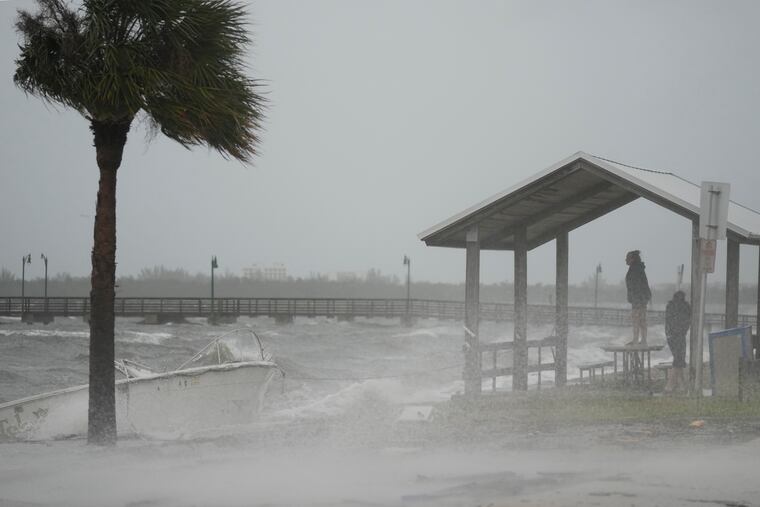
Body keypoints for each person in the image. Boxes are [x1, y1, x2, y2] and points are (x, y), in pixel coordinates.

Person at [665, 290, 691, 392]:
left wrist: (669, 333)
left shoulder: (670, 306)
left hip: (671, 336)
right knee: (678, 360)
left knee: (678, 359)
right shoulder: (685, 307)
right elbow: (687, 321)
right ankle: (669, 385)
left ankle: (682, 385)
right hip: (680, 336)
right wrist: (684, 330)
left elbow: (668, 322)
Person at [625, 250, 651, 345]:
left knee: (637, 320)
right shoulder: (637, 268)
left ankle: (637, 340)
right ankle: (642, 340)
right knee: (641, 320)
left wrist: (635, 298)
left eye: (627, 258)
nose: (625, 260)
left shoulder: (635, 269)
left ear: (632, 259)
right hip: (640, 299)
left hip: (638, 299)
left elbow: (636, 286)